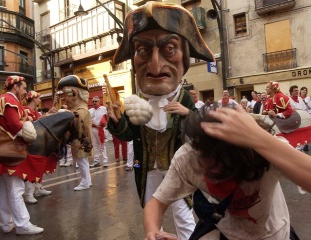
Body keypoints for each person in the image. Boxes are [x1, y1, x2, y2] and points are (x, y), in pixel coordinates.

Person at [143, 105, 311, 240]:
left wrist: (258, 137)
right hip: (225, 234)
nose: (204, 175)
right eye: (203, 164)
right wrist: (154, 233)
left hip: (274, 234)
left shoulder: (264, 152)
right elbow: (156, 203)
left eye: (217, 170)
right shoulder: (188, 157)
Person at [107, 2, 215, 239]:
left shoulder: (184, 97)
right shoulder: (137, 100)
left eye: (169, 49)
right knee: (151, 214)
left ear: (184, 56)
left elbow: (203, 132)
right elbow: (127, 134)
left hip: (178, 170)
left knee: (183, 214)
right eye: (143, 51)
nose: (155, 66)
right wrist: (116, 121)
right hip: (148, 170)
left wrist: (188, 115)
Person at [0, 76, 43, 235]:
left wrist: (25, 117)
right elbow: (14, 125)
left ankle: (7, 223)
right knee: (16, 188)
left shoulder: (3, 99)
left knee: (5, 189)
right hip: (10, 150)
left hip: (2, 149)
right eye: (24, 88)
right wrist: (28, 128)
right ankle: (23, 224)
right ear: (16, 87)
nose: (25, 92)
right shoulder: (8, 99)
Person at [57, 75, 93, 190]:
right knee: (82, 163)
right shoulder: (79, 110)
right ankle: (87, 181)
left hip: (81, 143)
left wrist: (63, 114)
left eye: (65, 95)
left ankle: (85, 182)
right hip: (80, 143)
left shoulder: (81, 111)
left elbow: (75, 120)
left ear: (74, 94)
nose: (64, 99)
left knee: (82, 163)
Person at [22, 91, 52, 204]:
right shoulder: (25, 110)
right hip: (29, 145)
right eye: (38, 97)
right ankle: (28, 193)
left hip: (37, 144)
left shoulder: (35, 112)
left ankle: (38, 188)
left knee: (39, 167)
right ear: (34, 99)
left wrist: (49, 114)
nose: (40, 99)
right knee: (30, 168)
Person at [89, 96, 109, 168]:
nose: (94, 103)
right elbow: (87, 120)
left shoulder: (104, 109)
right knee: (95, 146)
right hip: (93, 129)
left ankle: (105, 161)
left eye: (95, 101)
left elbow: (108, 117)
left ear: (99, 101)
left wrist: (105, 123)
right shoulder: (90, 110)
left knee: (102, 145)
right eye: (93, 101)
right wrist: (92, 124)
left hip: (101, 129)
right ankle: (96, 161)